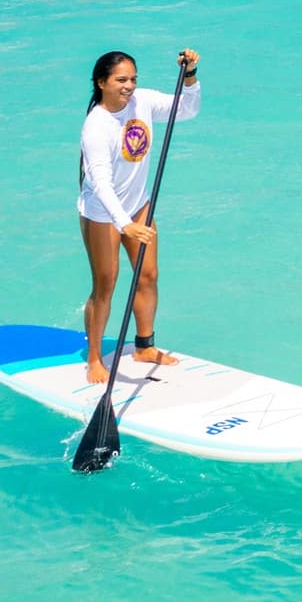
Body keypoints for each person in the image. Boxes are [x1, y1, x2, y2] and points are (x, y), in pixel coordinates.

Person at [78, 49, 201, 384]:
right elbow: (100, 183)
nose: (129, 86)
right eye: (120, 80)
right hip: (103, 213)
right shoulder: (96, 127)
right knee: (106, 285)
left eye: (133, 79)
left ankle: (144, 346)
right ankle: (93, 360)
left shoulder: (142, 102)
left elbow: (186, 109)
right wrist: (125, 223)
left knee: (147, 276)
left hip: (138, 205)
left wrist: (189, 75)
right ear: (101, 83)